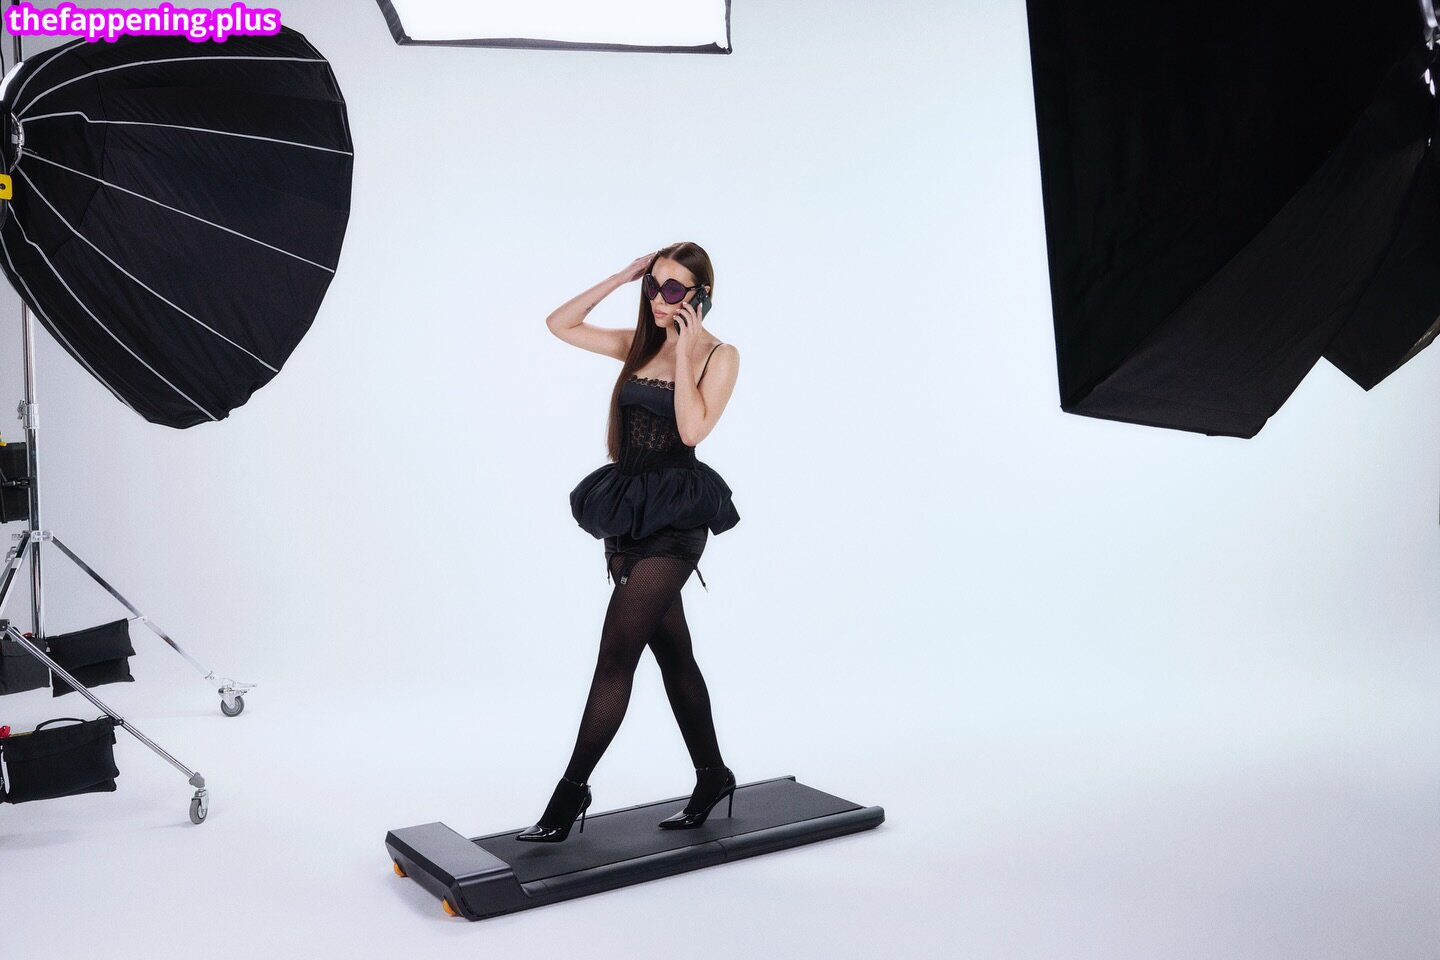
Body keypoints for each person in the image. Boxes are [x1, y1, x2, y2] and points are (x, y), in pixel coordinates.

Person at [517, 242, 741, 843]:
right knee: (675, 655)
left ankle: (570, 794)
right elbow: (560, 324)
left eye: (674, 289)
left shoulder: (719, 356)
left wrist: (687, 349)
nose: (660, 299)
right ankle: (714, 775)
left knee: (616, 652)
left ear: (701, 295)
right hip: (628, 512)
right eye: (654, 285)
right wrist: (622, 276)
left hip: (677, 521)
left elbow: (691, 430)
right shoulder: (637, 344)